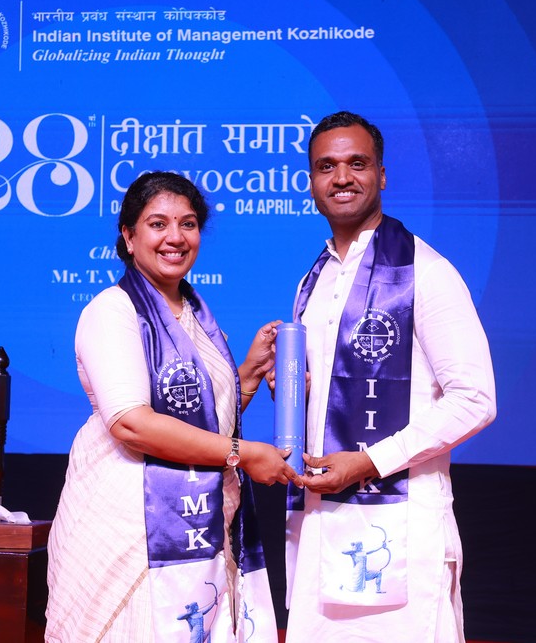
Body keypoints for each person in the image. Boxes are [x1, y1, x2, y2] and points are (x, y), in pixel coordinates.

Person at [46, 171, 300, 642]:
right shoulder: (113, 309)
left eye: (188, 224)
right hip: (124, 522)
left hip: (196, 517)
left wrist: (246, 374)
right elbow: (132, 424)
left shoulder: (195, 314)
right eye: (158, 224)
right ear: (129, 236)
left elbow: (200, 419)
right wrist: (243, 454)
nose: (176, 237)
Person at [282, 111, 496, 642]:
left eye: (357, 163)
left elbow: (475, 399)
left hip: (402, 525)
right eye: (326, 166)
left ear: (381, 175)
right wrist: (296, 388)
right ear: (311, 182)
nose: (342, 177)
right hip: (322, 518)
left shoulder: (427, 271)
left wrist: (370, 461)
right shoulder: (313, 280)